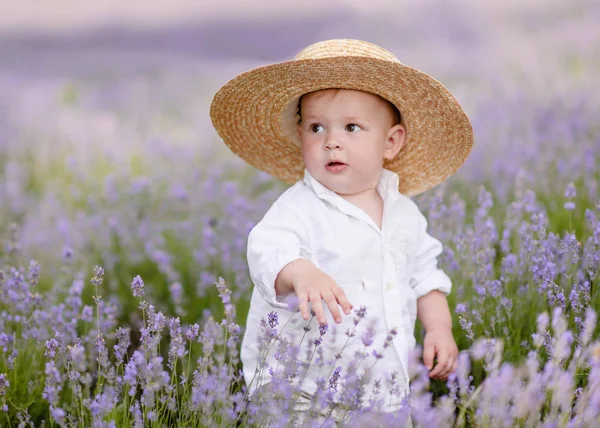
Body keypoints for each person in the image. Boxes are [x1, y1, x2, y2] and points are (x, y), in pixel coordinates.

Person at [210, 39, 473, 423]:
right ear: (301, 136)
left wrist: (439, 328)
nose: (331, 140)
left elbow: (425, 276)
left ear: (391, 142)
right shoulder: (299, 207)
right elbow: (266, 249)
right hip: (305, 387)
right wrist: (300, 272)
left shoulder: (405, 214)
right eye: (317, 127)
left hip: (384, 384)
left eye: (352, 127)